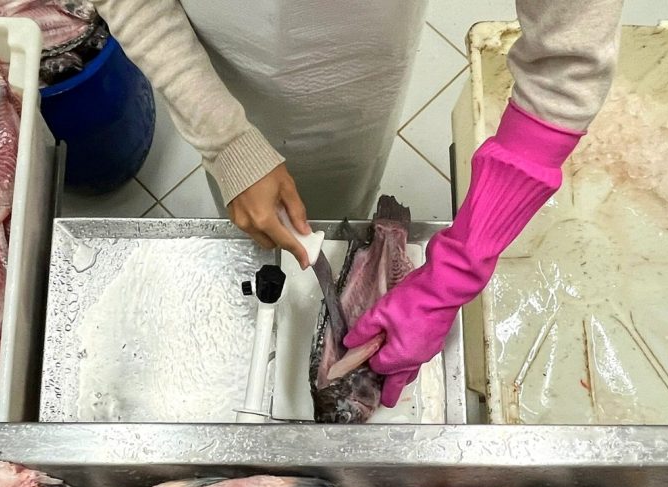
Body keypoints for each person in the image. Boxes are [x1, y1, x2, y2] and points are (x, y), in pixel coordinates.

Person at [90, 0, 624, 408]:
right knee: (249, 200)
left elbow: (568, 62)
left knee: (344, 186)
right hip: (212, 51)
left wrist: (462, 266)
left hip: (360, 70)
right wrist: (225, 142)